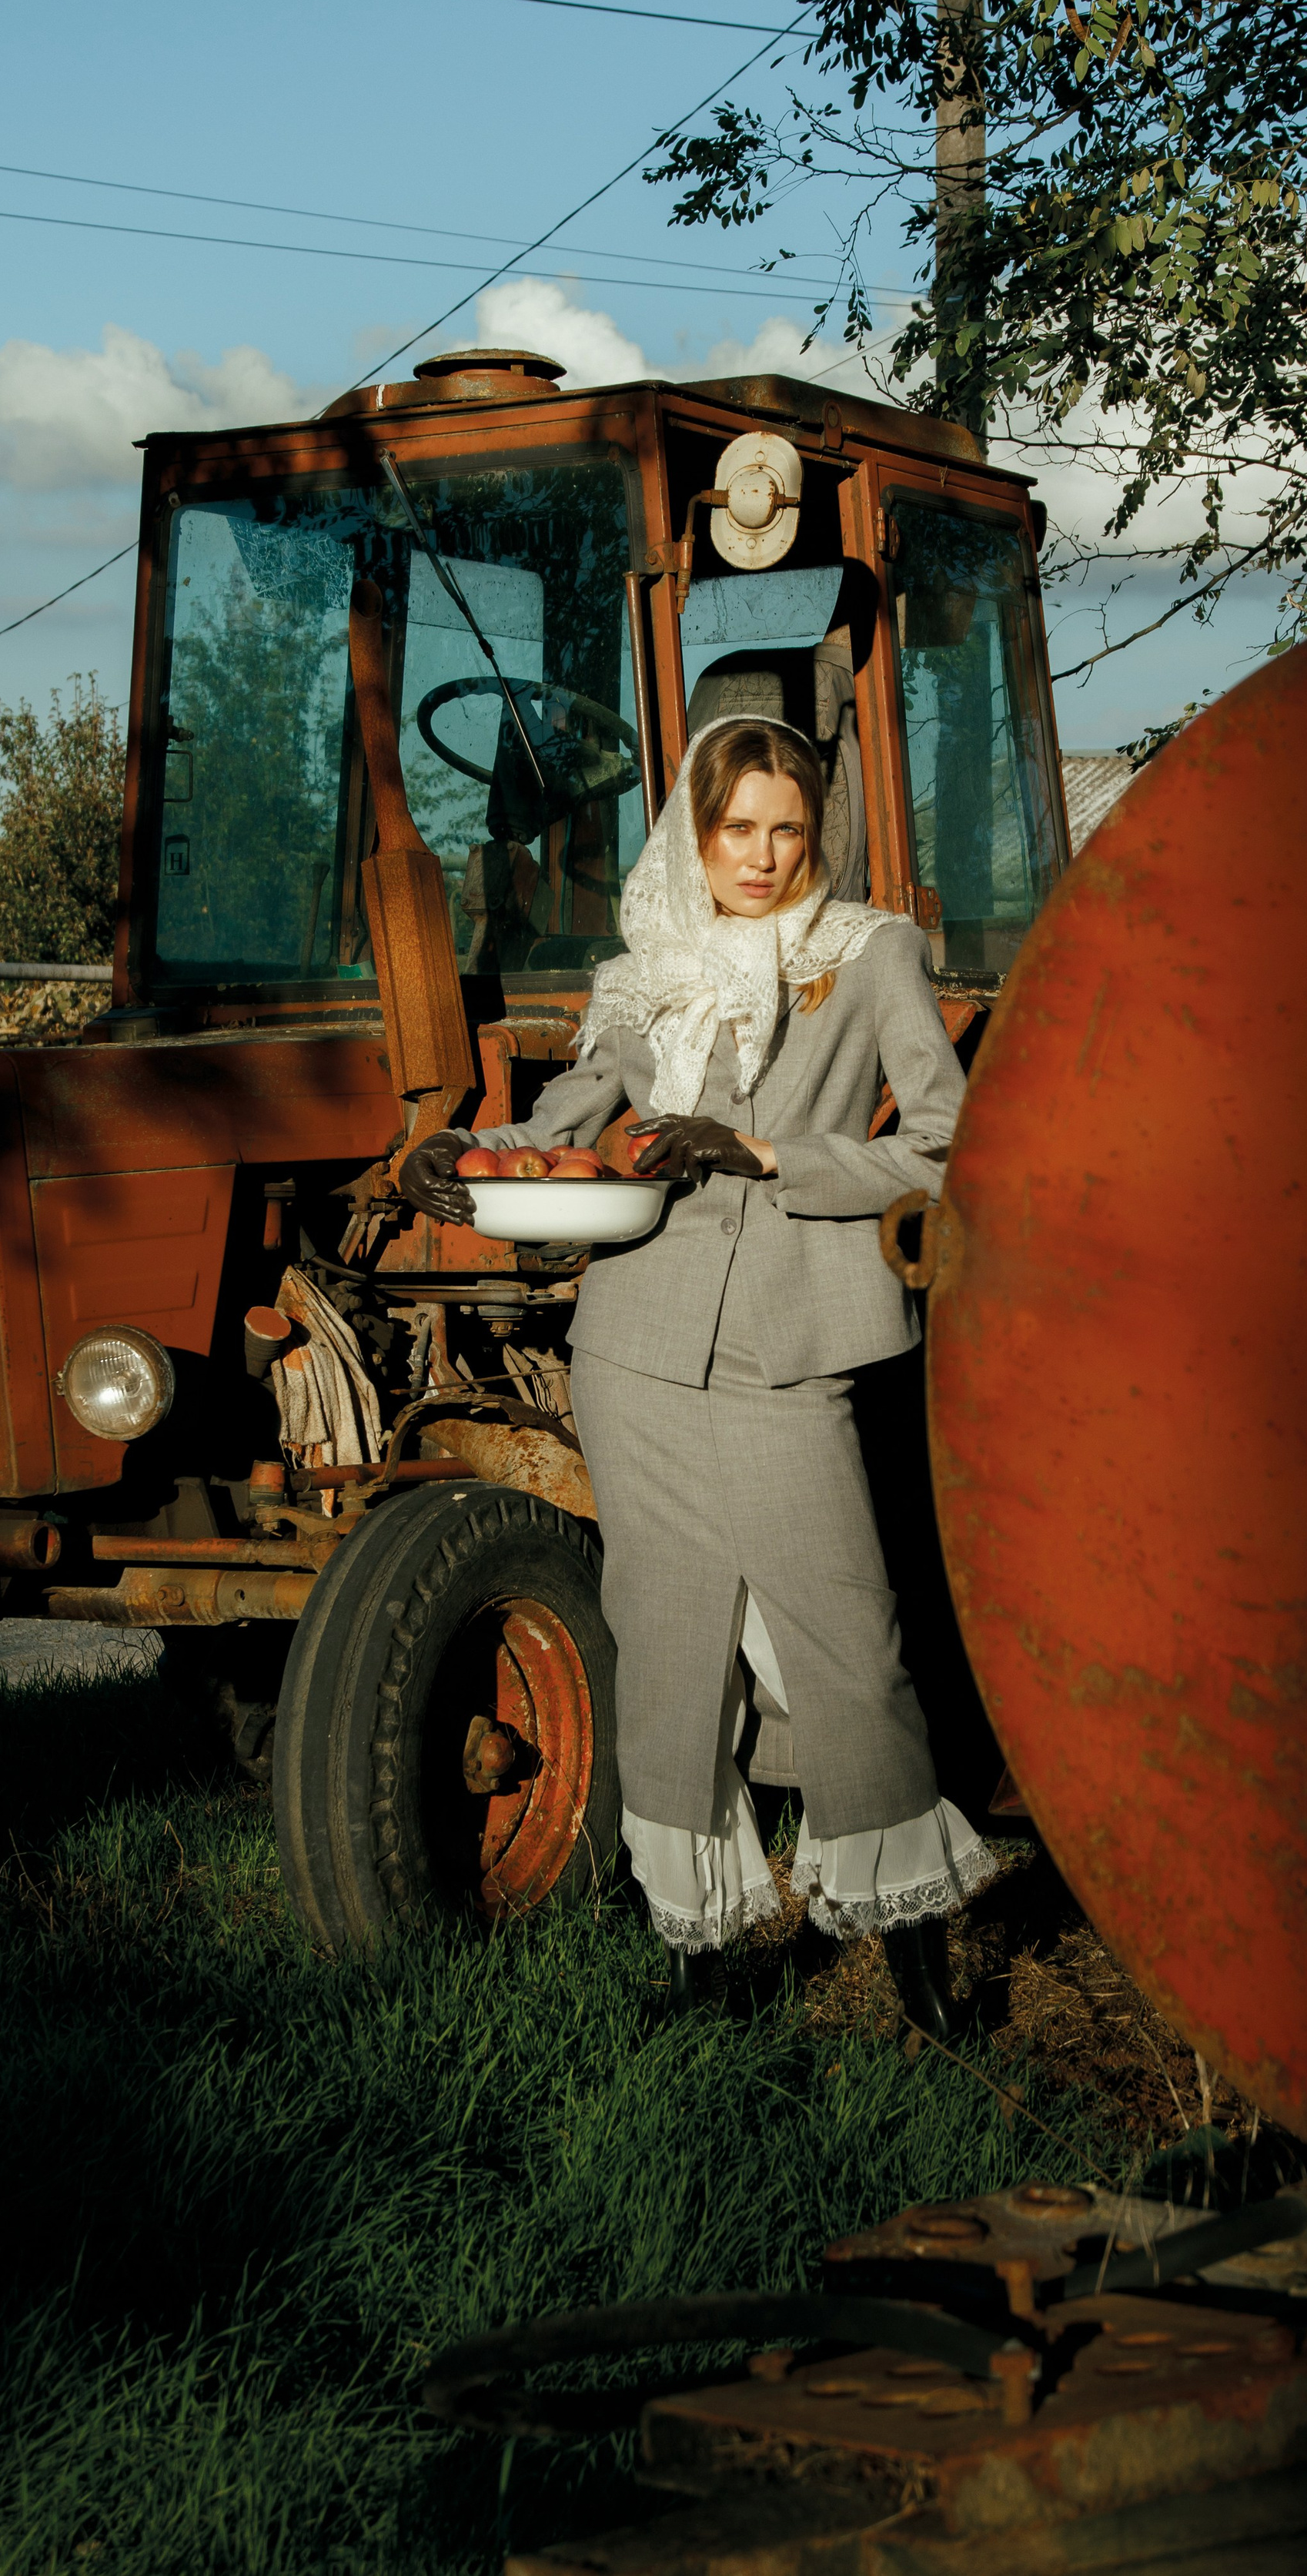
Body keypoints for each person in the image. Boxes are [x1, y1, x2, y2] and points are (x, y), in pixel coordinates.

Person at [401, 714, 992, 2024]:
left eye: (790, 827)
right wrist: (460, 1153)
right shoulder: (643, 971)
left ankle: (915, 1946)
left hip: (795, 1343)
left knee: (850, 1633)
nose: (767, 855)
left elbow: (952, 1147)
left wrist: (769, 1155)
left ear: (816, 828)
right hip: (640, 1346)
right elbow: (564, 1123)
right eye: (740, 829)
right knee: (666, 1641)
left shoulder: (871, 953)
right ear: (698, 827)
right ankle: (703, 1948)